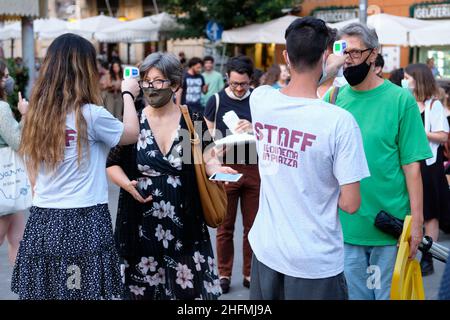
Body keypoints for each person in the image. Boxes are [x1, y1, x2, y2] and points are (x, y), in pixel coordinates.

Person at [11, 33, 140, 300]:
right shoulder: (91, 114)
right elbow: (131, 133)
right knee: (80, 291)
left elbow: (32, 167)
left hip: (43, 221)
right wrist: (128, 93)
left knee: (48, 292)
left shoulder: (36, 115)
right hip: (85, 220)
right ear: (86, 70)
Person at [248, 17, 370, 300]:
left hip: (266, 251)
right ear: (326, 55)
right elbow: (351, 204)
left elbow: (295, 88)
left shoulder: (261, 99)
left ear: (285, 56)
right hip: (314, 260)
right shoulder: (339, 121)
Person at [106, 52, 237, 300]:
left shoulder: (192, 120)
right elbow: (112, 164)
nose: (151, 87)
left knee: (187, 293)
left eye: (158, 81)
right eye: (146, 81)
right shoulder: (135, 122)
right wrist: (128, 185)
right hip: (140, 225)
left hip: (185, 223)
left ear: (175, 84)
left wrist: (218, 170)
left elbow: (208, 159)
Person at [324, 23, 432, 300]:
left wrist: (416, 223)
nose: (347, 60)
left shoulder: (400, 100)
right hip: (345, 227)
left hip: (389, 226)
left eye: (355, 53)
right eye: (342, 52)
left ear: (374, 55)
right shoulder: (333, 98)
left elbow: (412, 168)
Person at [204, 55, 260, 293]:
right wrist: (216, 146)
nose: (239, 88)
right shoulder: (215, 100)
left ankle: (249, 273)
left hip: (255, 168)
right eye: (235, 83)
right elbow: (206, 138)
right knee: (224, 227)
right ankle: (223, 274)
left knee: (253, 227)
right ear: (227, 77)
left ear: (250, 81)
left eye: (243, 84)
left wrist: (255, 126)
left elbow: (272, 131)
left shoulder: (259, 99)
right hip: (226, 167)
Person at [404, 63, 450, 276]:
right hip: (409, 162)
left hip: (429, 165)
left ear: (417, 79)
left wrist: (421, 132)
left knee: (431, 212)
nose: (405, 81)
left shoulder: (433, 105)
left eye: (408, 77)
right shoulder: (406, 102)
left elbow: (443, 136)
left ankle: (428, 257)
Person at [0, 60, 28, 266]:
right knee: (14, 239)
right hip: (6, 178)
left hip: (9, 183)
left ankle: (22, 289)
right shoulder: (1, 108)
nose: (8, 80)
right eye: (4, 76)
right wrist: (25, 114)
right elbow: (18, 142)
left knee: (18, 239)